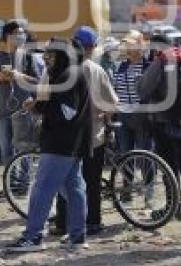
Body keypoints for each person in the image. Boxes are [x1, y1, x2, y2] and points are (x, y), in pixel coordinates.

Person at [10, 39, 92, 252]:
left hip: (60, 143)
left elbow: (66, 112)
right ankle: (77, 236)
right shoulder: (68, 74)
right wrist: (39, 106)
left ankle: (33, 237)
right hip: (71, 142)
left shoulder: (68, 76)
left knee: (42, 189)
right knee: (74, 189)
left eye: (50, 55)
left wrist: (41, 108)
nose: (46, 58)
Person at [54, 26, 119, 237]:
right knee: (91, 182)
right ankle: (93, 222)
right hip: (93, 137)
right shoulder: (96, 70)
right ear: (91, 48)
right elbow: (113, 103)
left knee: (65, 182)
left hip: (65, 138)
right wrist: (102, 113)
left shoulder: (59, 68)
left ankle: (63, 224)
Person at [142, 34, 181, 219]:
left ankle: (172, 206)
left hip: (164, 121)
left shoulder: (159, 61)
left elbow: (143, 89)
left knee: (169, 165)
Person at [0, 21, 42, 169]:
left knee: (24, 150)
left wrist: (19, 76)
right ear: (7, 36)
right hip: (3, 112)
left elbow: (38, 82)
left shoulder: (29, 58)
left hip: (23, 112)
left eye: (22, 33)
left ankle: (24, 184)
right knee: (6, 150)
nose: (21, 36)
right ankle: (10, 185)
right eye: (18, 33)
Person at [112, 30, 154, 155]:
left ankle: (149, 175)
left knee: (144, 154)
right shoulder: (121, 66)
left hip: (141, 115)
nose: (128, 48)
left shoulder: (148, 66)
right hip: (122, 114)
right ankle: (127, 175)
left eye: (131, 45)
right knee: (125, 153)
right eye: (127, 45)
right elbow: (115, 89)